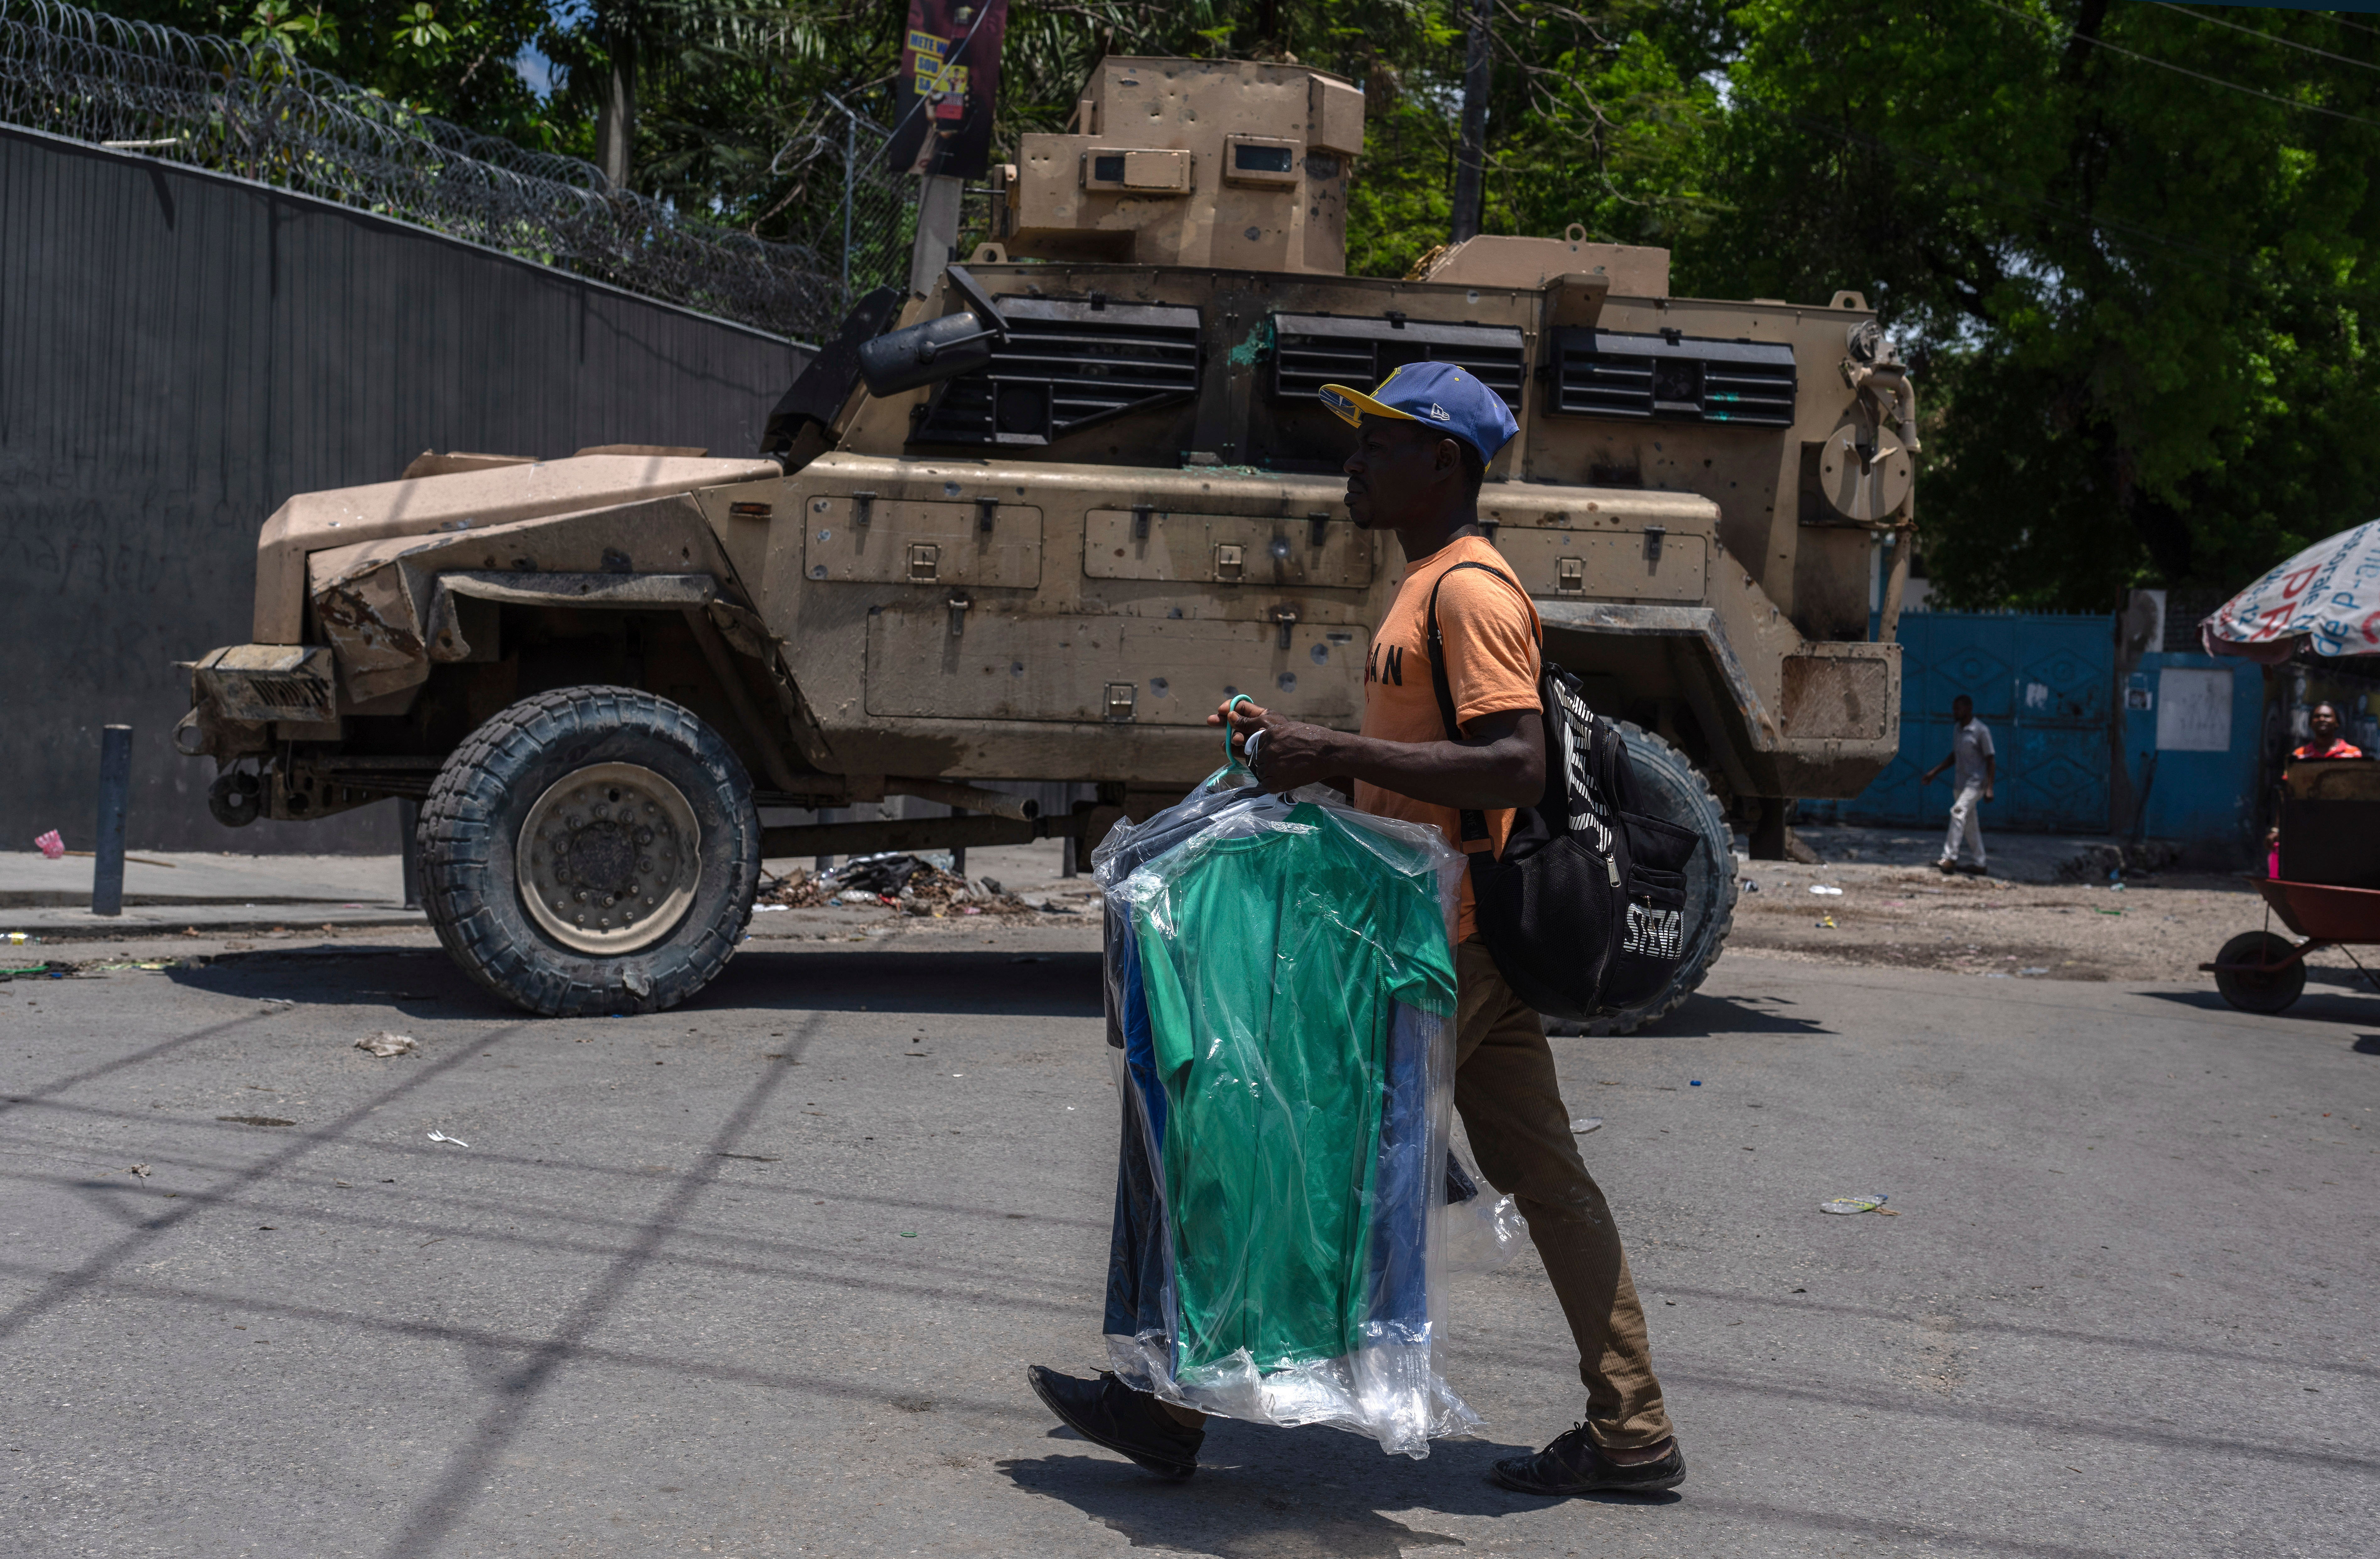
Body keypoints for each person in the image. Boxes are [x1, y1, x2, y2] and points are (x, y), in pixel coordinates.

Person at [1026, 361, 1684, 1497]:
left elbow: (1515, 763)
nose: (1355, 458)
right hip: (1452, 930)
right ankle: (1632, 1427)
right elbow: (1424, 765)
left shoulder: (1467, 591)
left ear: (1441, 462)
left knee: (1282, 1134)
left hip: (1445, 940)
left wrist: (1333, 754)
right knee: (1545, 1172)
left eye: (1380, 439)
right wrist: (1297, 747)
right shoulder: (1425, 581)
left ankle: (1169, 1403)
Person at [1919, 695, 1994, 875]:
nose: (1955, 712)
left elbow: (1991, 759)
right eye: (1954, 709)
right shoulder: (1958, 730)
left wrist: (1990, 788)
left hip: (1976, 784)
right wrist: (1935, 772)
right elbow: (1955, 756)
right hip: (1960, 783)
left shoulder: (1981, 731)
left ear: (1969, 708)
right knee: (1970, 824)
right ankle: (1980, 863)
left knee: (1958, 812)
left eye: (1958, 709)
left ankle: (1949, 858)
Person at [2292, 701, 2365, 760]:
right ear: (2311, 724)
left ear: (2337, 723)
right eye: (2317, 717)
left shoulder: (2353, 754)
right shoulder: (2299, 755)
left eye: (2327, 716)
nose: (2322, 719)